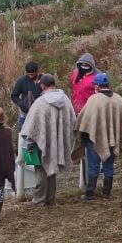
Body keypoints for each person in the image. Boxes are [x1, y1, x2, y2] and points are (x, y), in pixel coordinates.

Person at [21, 74, 76, 206]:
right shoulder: (66, 100)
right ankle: (50, 199)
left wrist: (29, 142)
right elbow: (73, 121)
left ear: (43, 86)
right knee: (52, 168)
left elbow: (32, 125)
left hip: (42, 141)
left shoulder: (40, 102)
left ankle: (39, 200)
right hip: (58, 142)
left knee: (40, 169)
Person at [74, 73, 122, 200]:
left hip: (95, 139)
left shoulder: (94, 99)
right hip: (113, 140)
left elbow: (84, 119)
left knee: (93, 166)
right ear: (108, 85)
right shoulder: (119, 99)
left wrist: (82, 136)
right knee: (109, 166)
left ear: (97, 86)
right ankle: (106, 194)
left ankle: (89, 194)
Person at [10, 61, 43, 129]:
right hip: (25, 113)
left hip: (40, 113)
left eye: (32, 74)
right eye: (29, 74)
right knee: (23, 134)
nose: (30, 76)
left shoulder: (43, 79)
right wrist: (22, 104)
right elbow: (14, 95)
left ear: (37, 71)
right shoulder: (22, 80)